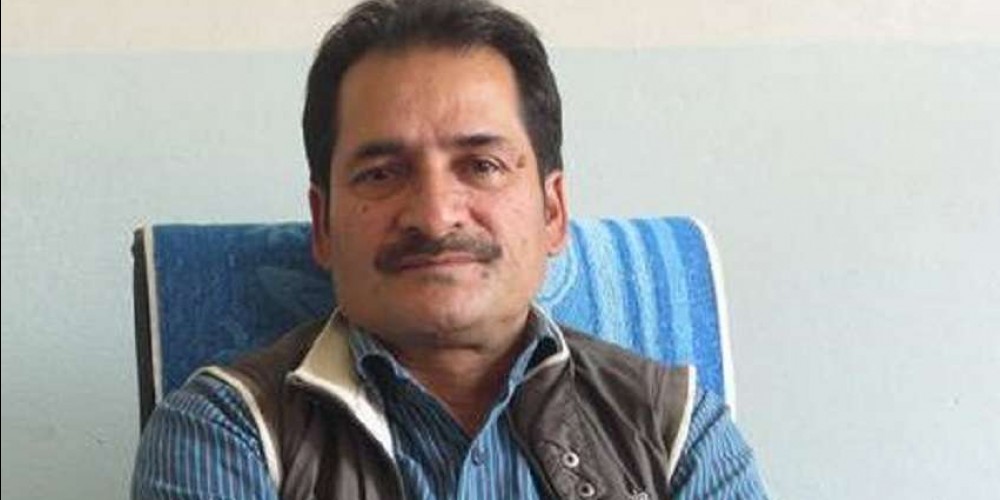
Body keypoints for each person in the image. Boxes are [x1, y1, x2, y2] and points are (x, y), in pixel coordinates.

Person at [131, 0, 768, 498]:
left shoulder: (676, 430)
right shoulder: (223, 431)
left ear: (552, 211)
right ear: (323, 225)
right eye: (382, 173)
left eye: (482, 165)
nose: (435, 216)